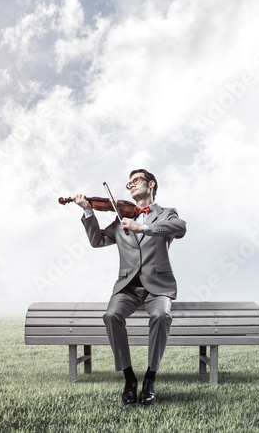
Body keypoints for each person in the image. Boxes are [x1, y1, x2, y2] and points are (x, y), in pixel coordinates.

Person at [74, 168, 186, 405]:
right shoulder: (120, 219)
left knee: (161, 316)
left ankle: (151, 378)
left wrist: (143, 228)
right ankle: (129, 378)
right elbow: (97, 241)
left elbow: (180, 228)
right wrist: (88, 211)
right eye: (129, 183)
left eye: (136, 180)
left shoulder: (166, 214)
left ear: (151, 184)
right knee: (111, 315)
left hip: (158, 286)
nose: (131, 185)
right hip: (127, 286)